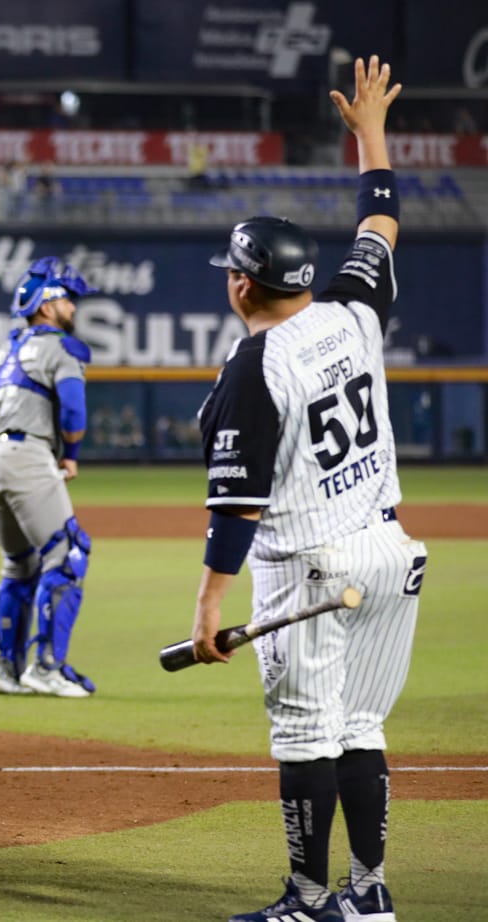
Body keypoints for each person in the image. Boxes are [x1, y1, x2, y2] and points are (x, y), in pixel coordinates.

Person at [187, 56, 425, 922]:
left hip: (309, 568)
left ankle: (309, 898)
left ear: (242, 282)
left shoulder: (257, 362)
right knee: (361, 730)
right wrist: (371, 137)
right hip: (390, 554)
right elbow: (382, 223)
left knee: (305, 738)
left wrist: (209, 608)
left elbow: (237, 506)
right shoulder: (353, 313)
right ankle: (369, 895)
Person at [0, 256, 96, 698]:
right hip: (27, 455)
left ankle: (7, 669)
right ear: (46, 304)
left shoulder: (3, 350)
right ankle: (47, 668)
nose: (73, 309)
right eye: (68, 299)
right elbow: (74, 413)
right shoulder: (62, 348)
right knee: (68, 554)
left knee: (19, 566)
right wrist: (71, 454)